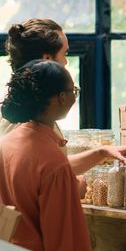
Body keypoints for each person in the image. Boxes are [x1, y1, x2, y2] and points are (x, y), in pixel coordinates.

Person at [1, 18, 126, 177]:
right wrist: (74, 187)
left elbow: (52, 165)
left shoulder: (32, 107)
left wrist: (102, 152)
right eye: (65, 53)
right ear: (48, 60)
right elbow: (32, 177)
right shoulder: (25, 117)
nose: (66, 62)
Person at [0, 60, 92, 250]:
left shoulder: (5, 144)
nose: (75, 97)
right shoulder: (53, 163)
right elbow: (62, 237)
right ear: (61, 97)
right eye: (73, 91)